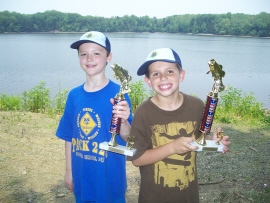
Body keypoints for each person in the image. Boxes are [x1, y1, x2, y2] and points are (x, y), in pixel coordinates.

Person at [127, 48, 230, 203]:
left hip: (188, 196)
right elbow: (137, 159)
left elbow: (197, 138)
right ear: (148, 81)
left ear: (181, 75)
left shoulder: (196, 105)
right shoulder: (143, 113)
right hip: (154, 197)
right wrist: (172, 148)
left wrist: (212, 140)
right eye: (156, 74)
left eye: (170, 71)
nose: (163, 78)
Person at [56, 31, 133, 203]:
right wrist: (69, 170)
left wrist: (124, 120)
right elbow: (68, 136)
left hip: (111, 178)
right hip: (82, 177)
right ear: (79, 58)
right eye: (84, 54)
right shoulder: (74, 95)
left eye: (96, 53)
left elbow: (128, 137)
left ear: (108, 57)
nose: (89, 58)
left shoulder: (119, 94)